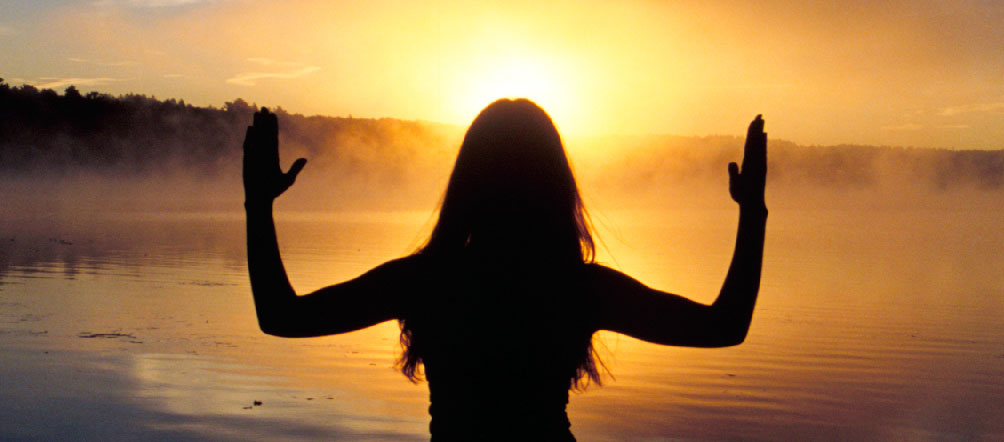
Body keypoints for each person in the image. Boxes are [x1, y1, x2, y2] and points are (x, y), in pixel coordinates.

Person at [243, 99, 767, 441]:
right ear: (557, 183)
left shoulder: (426, 282)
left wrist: (258, 207)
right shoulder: (578, 288)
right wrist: (752, 214)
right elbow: (724, 327)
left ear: (469, 179)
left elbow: (282, 316)